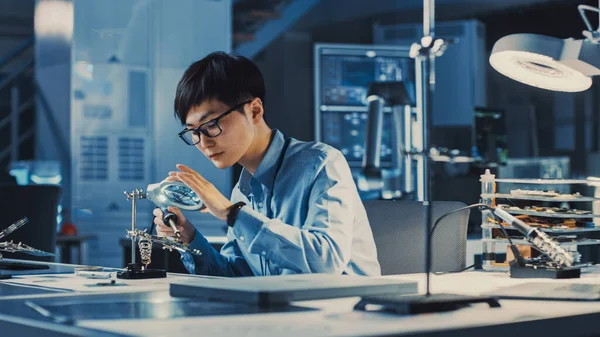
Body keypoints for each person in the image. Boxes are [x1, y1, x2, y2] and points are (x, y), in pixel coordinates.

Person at [154, 51, 381, 277]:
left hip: (347, 308)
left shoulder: (322, 163)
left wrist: (232, 213)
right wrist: (189, 238)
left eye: (211, 124)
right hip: (287, 311)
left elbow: (327, 262)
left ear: (254, 110)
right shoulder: (241, 194)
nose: (204, 142)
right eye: (193, 131)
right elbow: (238, 275)